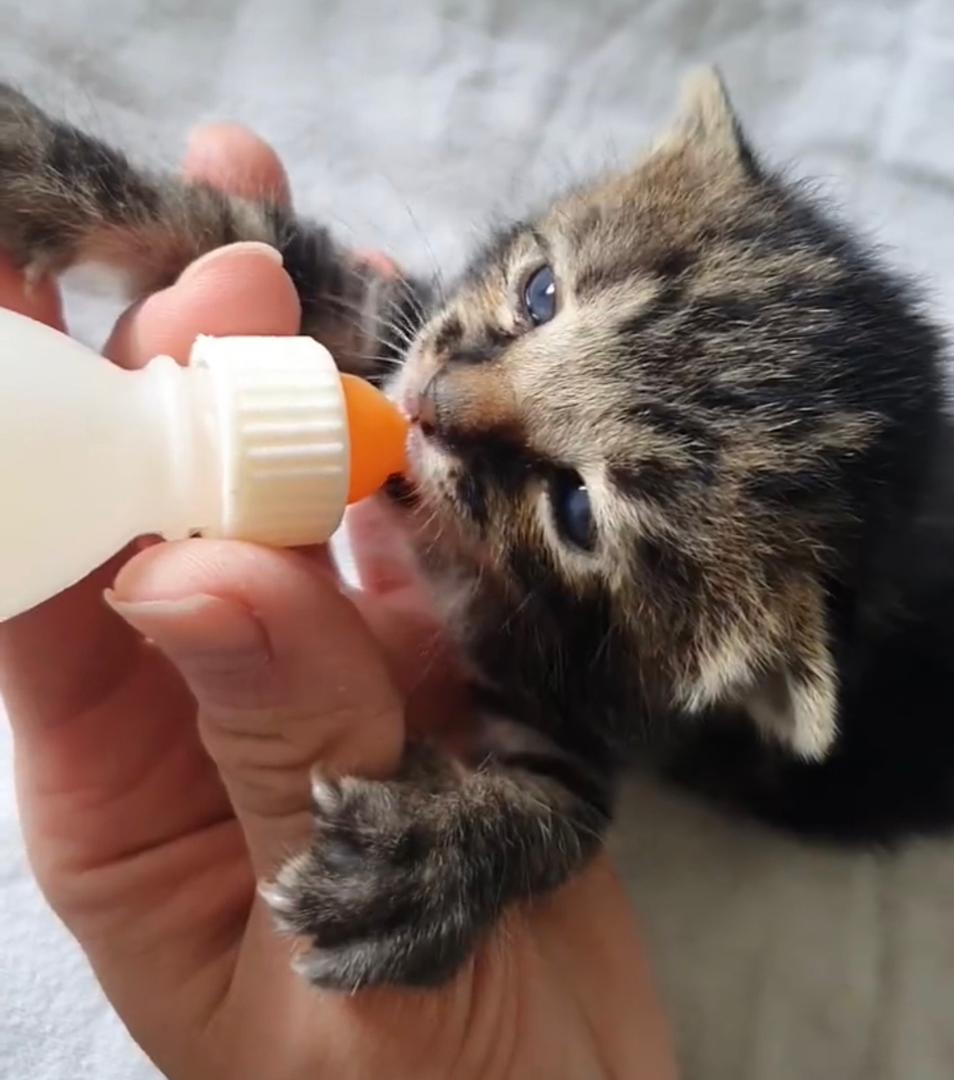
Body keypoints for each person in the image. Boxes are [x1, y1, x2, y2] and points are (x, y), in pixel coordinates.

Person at [0, 124, 677, 1080]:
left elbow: (565, 797)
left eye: (578, 506)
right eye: (542, 295)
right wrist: (83, 193)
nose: (446, 398)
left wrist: (464, 846)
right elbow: (294, 275)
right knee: (254, 282)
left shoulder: (607, 651)